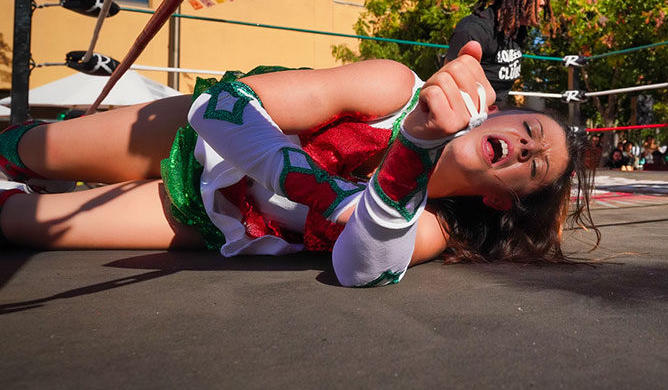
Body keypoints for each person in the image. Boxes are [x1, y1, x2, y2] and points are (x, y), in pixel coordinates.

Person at [0, 42, 596, 287]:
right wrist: (334, 199)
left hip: (211, 214)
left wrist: (415, 147)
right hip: (189, 136)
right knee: (30, 149)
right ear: (495, 116)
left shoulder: (433, 227)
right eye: (529, 131)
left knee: (17, 223)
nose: (527, 148)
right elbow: (220, 109)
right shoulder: (395, 87)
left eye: (534, 166)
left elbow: (362, 270)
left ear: (499, 199)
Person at [445, 0, 551, 107]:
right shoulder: (473, 31)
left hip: (498, 112)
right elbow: (449, 89)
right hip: (472, 115)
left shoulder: (518, 31)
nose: (543, 2)